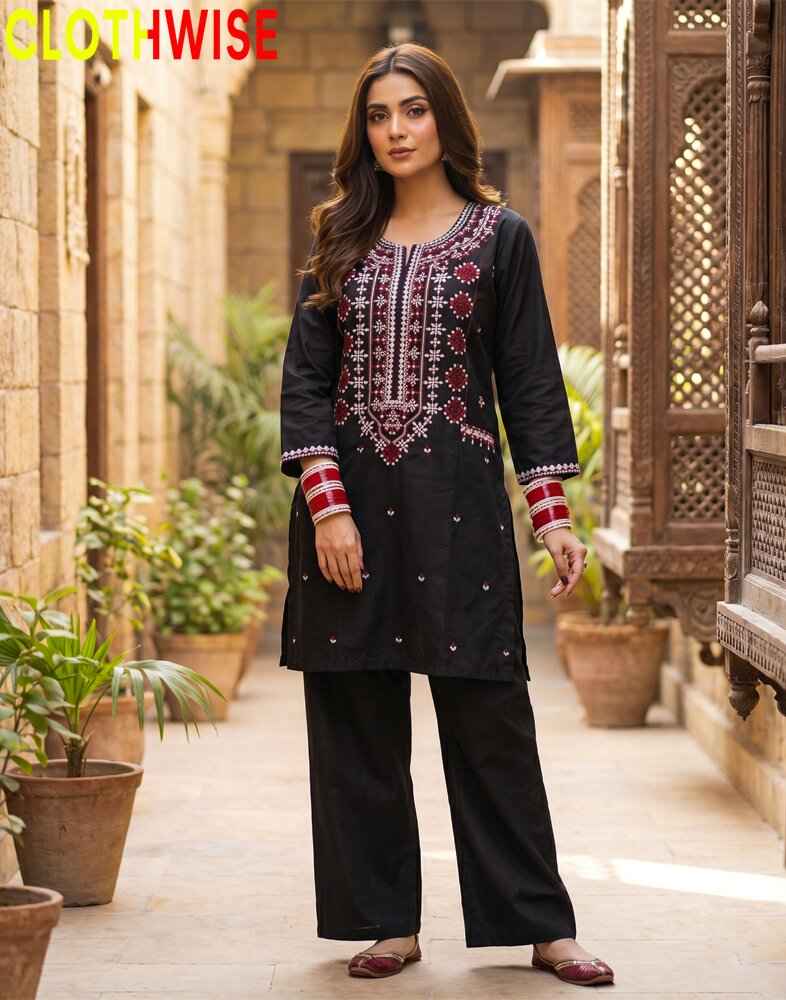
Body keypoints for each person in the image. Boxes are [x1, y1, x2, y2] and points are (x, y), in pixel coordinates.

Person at [278, 42, 614, 988]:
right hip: (348, 517)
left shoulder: (499, 238)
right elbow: (305, 387)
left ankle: (541, 926)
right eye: (380, 115)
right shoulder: (338, 236)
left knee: (490, 717)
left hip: (456, 511)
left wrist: (551, 514)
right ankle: (386, 921)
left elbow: (530, 384)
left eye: (413, 111)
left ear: (444, 121)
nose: (396, 130)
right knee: (357, 723)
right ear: (364, 129)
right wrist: (328, 508)